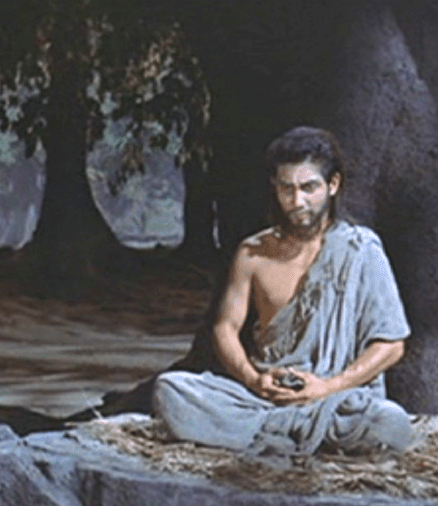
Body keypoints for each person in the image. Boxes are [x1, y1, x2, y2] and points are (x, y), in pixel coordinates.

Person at [153, 126, 416, 456]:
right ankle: (289, 432)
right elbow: (225, 328)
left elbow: (391, 345)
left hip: (336, 400)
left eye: (309, 188)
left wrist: (327, 387)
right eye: (286, 188)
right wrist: (254, 380)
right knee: (171, 390)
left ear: (333, 185)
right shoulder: (253, 253)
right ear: (274, 187)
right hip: (264, 397)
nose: (297, 201)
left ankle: (271, 436)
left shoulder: (361, 251)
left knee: (390, 423)